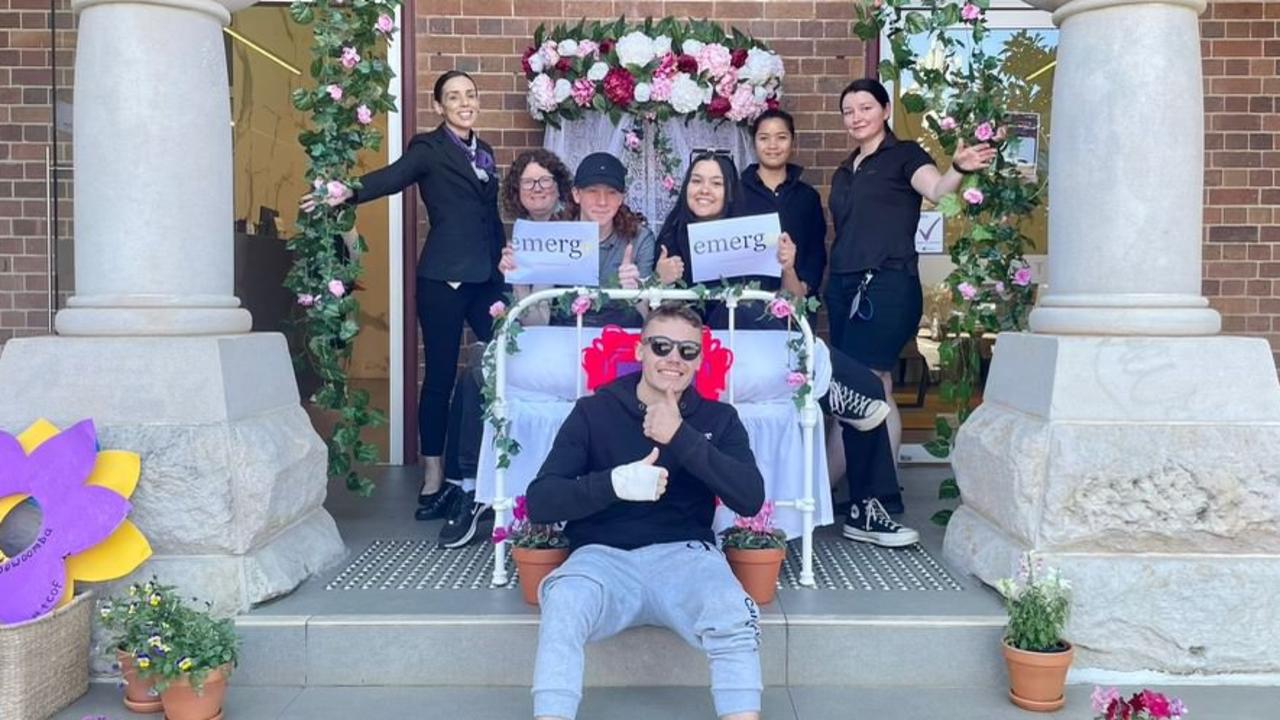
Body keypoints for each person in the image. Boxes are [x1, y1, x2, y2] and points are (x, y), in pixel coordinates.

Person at [525, 303, 765, 720]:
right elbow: (542, 499)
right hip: (602, 558)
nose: (673, 358)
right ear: (640, 351)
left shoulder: (718, 418)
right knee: (564, 600)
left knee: (731, 607)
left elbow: (749, 497)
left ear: (699, 360)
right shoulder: (593, 412)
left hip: (686, 556)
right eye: (661, 346)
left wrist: (682, 437)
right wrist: (614, 483)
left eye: (687, 351)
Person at [301, 70, 506, 520]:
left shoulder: (485, 152)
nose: (464, 102)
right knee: (439, 380)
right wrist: (344, 193)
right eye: (453, 97)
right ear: (439, 107)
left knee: (509, 360)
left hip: (486, 278)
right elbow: (391, 178)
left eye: (469, 95)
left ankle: (489, 471)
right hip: (442, 281)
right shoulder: (427, 149)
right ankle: (433, 474)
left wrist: (506, 258)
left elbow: (488, 216)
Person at [434, 151, 658, 549]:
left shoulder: (638, 237)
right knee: (483, 371)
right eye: (592, 191)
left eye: (611, 192)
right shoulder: (555, 233)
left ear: (623, 197)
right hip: (558, 342)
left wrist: (636, 287)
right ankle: (474, 491)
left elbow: (649, 320)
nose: (601, 201)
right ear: (575, 193)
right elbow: (535, 321)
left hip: (618, 346)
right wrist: (520, 281)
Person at [826, 78, 995, 489]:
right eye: (848, 111)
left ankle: (869, 488)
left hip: (885, 285)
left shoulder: (904, 155)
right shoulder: (846, 169)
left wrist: (957, 167)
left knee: (871, 382)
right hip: (844, 286)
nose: (856, 117)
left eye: (865, 107)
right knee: (851, 389)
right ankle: (852, 486)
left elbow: (936, 190)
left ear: (885, 110)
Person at [737, 109, 827, 317]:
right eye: (764, 138)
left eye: (781, 137)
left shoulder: (807, 196)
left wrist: (805, 286)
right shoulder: (735, 192)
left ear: (792, 142)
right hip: (746, 307)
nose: (773, 146)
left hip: (794, 304)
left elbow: (816, 250)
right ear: (754, 142)